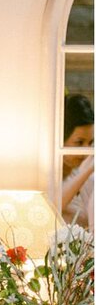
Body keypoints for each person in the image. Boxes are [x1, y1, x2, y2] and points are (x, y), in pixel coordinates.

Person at [62, 94, 94, 230]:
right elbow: (53, 207)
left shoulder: (87, 178)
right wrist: (87, 171)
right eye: (79, 142)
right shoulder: (44, 178)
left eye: (91, 142)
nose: (86, 150)